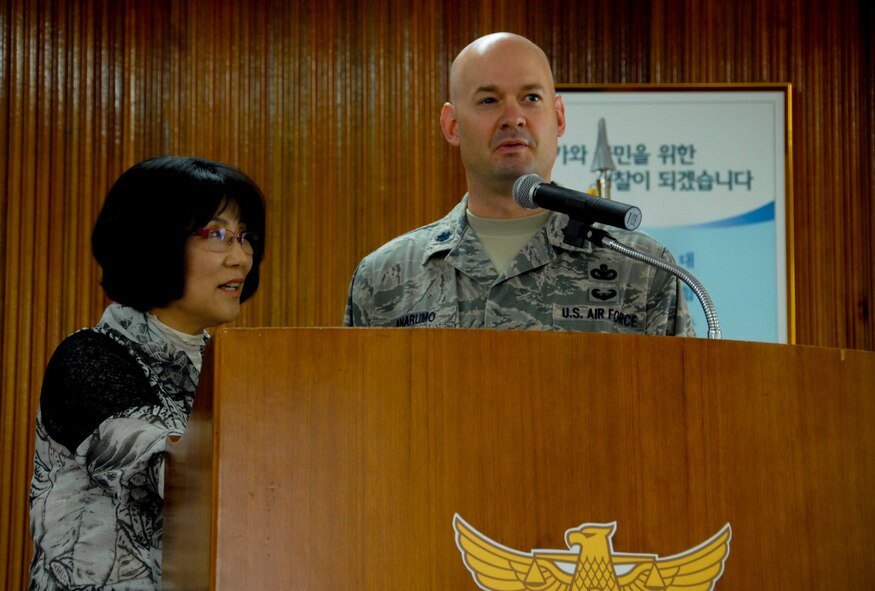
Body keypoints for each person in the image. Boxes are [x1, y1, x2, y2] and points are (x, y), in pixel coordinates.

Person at [344, 32, 694, 335]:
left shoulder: (643, 268)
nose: (513, 117)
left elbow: (683, 404)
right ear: (452, 125)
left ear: (558, 117)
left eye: (531, 98)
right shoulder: (386, 276)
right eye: (488, 100)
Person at [28, 156, 266, 590]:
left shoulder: (234, 368)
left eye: (245, 237)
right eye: (217, 235)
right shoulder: (90, 358)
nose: (241, 258)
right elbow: (177, 474)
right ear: (153, 241)